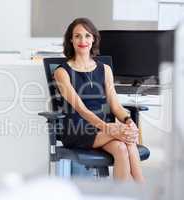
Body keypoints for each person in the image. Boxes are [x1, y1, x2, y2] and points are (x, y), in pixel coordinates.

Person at [53, 18, 145, 183]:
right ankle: (143, 189)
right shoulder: (62, 72)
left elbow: (115, 106)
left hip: (103, 128)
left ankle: (122, 195)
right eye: (78, 36)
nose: (83, 41)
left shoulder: (105, 69)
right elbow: (81, 109)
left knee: (122, 148)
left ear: (93, 39)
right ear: (71, 40)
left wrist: (128, 121)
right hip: (77, 129)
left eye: (87, 36)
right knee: (125, 139)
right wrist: (109, 128)